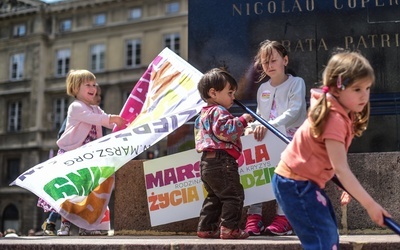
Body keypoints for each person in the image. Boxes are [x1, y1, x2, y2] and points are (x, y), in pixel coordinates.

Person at [272, 50, 391, 249]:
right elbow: (341, 168)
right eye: (357, 89)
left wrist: (344, 185)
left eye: (368, 88)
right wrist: (371, 205)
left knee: (328, 236)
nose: (364, 96)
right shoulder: (334, 118)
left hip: (304, 183)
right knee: (323, 241)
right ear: (337, 89)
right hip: (295, 184)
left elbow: (333, 160)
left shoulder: (342, 112)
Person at [39, 69, 126, 236]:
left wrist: (122, 124)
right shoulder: (76, 107)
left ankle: (88, 226)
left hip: (89, 157)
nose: (93, 87)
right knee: (71, 193)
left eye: (94, 84)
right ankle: (64, 226)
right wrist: (112, 119)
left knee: (88, 193)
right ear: (75, 88)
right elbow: (97, 119)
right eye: (88, 85)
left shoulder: (95, 108)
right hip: (72, 155)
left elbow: (105, 120)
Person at [244, 40, 307, 236]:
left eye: (273, 61)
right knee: (255, 168)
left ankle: (284, 217)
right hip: (268, 137)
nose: (269, 66)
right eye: (265, 63)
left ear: (285, 60)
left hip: (290, 138)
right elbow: (260, 115)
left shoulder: (296, 83)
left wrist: (267, 125)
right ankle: (254, 215)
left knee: (285, 175)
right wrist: (252, 126)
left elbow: (295, 111)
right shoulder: (263, 88)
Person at [194, 68, 253, 239]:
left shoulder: (202, 115)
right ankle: (229, 228)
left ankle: (206, 227)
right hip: (222, 161)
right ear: (213, 93)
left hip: (206, 162)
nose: (233, 98)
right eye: (230, 93)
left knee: (215, 197)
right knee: (233, 195)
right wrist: (243, 120)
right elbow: (224, 131)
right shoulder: (218, 111)